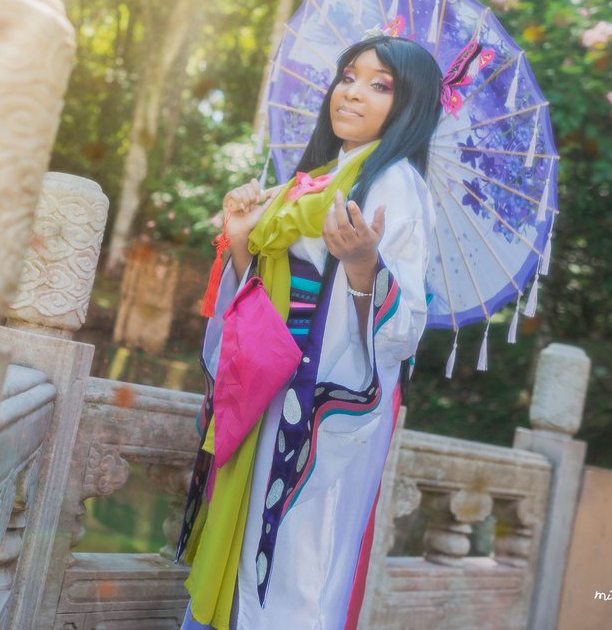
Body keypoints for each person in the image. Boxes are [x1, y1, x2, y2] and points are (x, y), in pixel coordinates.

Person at [177, 35, 442, 630]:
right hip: (270, 383)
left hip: (321, 401)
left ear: (410, 106)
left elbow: (403, 330)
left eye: (380, 85)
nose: (353, 92)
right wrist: (242, 236)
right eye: (348, 76)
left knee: (295, 565)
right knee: (245, 546)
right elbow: (262, 294)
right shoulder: (318, 178)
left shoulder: (396, 183)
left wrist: (364, 267)